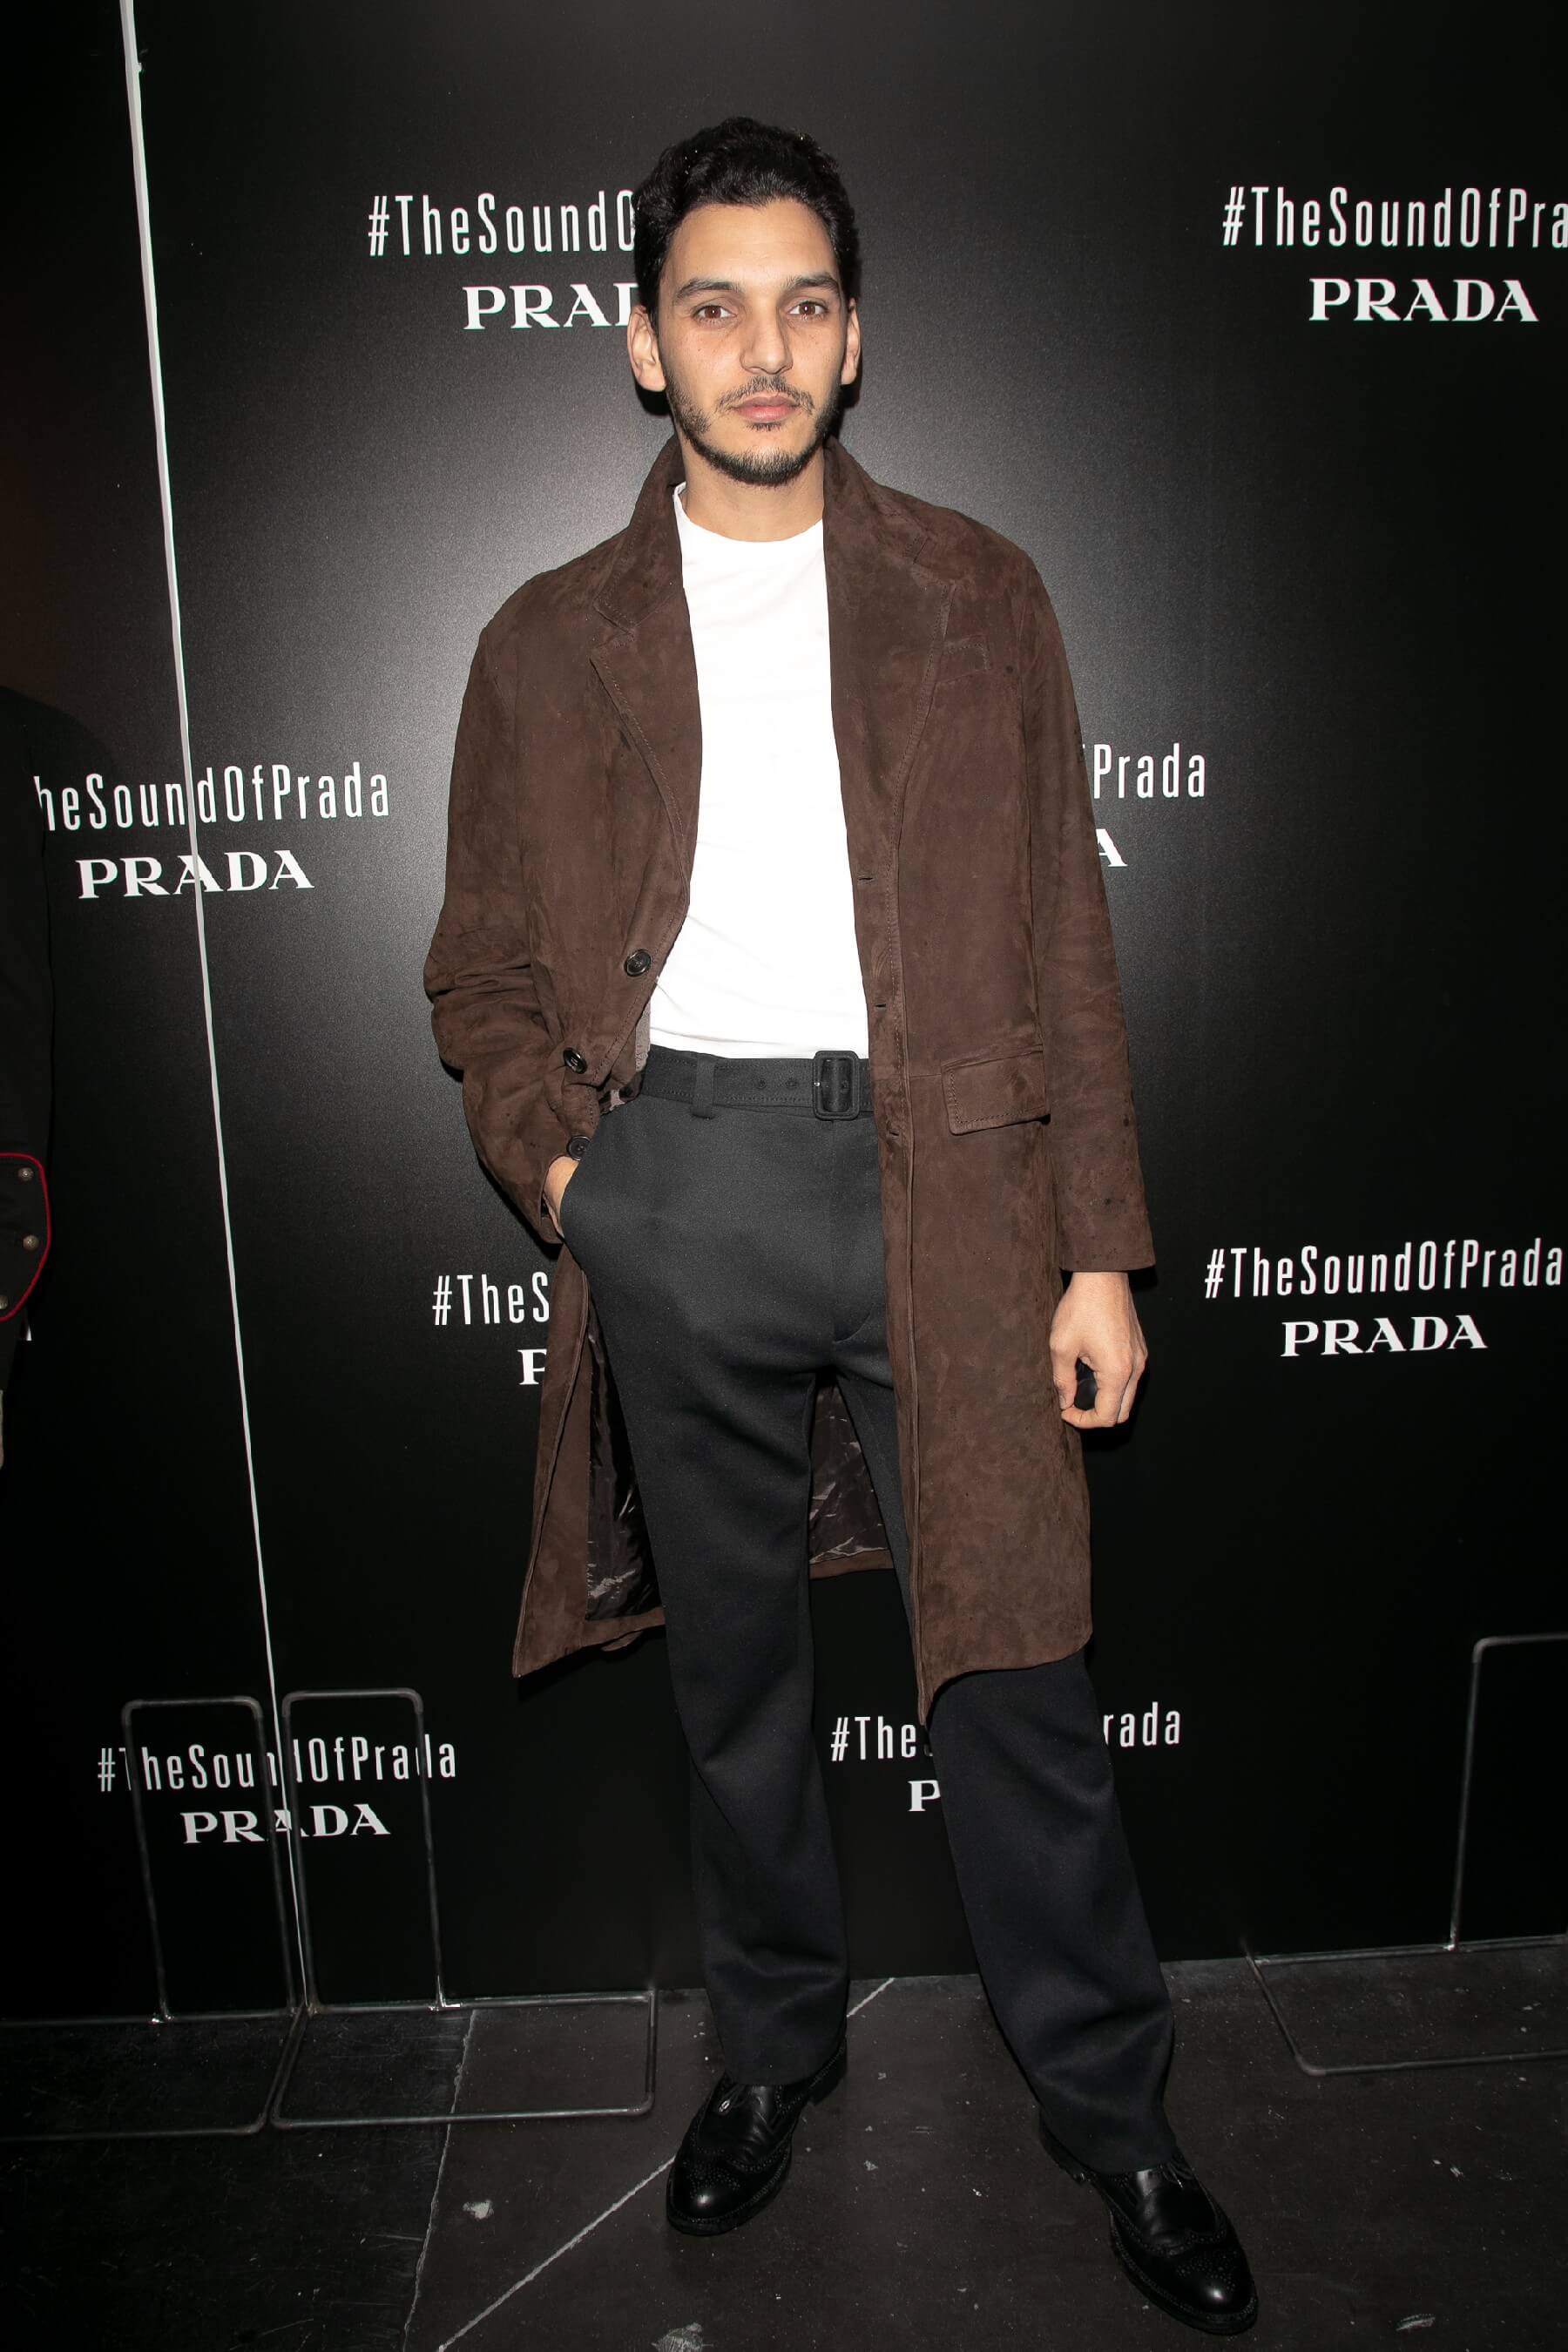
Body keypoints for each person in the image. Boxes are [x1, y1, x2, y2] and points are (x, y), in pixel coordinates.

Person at [426, 117, 1257, 2336]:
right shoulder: (544, 642)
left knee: (1019, 1674)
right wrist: (579, 1182)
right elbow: (479, 975)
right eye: (714, 307)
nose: (763, 349)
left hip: (956, 1189)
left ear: (855, 335)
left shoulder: (985, 594)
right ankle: (773, 2057)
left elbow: (1067, 943)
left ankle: (1116, 2113)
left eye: (802, 304)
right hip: (681, 1186)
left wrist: (1101, 1248)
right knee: (734, 1689)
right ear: (645, 345)